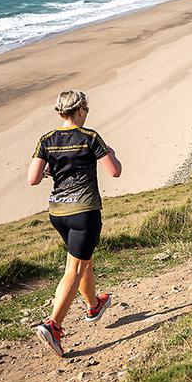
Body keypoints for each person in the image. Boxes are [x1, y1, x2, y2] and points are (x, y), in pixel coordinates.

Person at [27, 91, 122, 357]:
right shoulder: (89, 137)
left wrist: (50, 171)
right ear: (79, 110)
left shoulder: (46, 139)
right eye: (86, 109)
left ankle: (93, 305)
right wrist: (111, 154)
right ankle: (53, 325)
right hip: (84, 212)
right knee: (75, 267)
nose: (87, 113)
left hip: (58, 213)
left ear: (60, 113)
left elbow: (33, 178)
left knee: (82, 260)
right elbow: (114, 171)